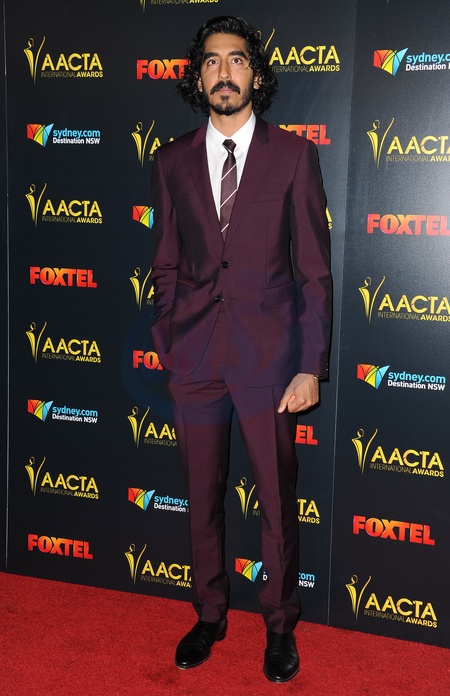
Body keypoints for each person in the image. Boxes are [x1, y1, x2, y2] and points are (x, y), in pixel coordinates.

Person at [151, 15, 332, 683]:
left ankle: (279, 623)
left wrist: (310, 365)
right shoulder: (170, 160)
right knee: (201, 495)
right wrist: (169, 336)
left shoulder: (294, 156)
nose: (223, 72)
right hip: (195, 357)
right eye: (210, 61)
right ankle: (209, 613)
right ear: (197, 77)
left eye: (235, 60)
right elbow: (165, 260)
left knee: (276, 501)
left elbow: (314, 270)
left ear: (255, 72)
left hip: (270, 360)